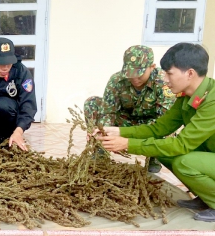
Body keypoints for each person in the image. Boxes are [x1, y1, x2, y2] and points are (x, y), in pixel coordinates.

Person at [97, 43, 215, 222]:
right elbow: (158, 128)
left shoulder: (211, 101)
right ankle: (206, 198)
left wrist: (128, 144)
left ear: (189, 73)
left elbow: (181, 144)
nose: (166, 79)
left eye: (170, 74)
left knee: (184, 162)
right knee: (164, 154)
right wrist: (119, 131)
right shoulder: (187, 96)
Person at [84, 45, 176, 172]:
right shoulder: (117, 80)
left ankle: (154, 157)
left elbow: (164, 121)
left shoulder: (163, 82)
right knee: (92, 103)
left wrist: (127, 141)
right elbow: (107, 112)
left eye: (139, 74)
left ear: (152, 67)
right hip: (125, 122)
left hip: (151, 126)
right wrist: (105, 135)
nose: (134, 79)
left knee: (167, 127)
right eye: (130, 73)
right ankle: (101, 151)